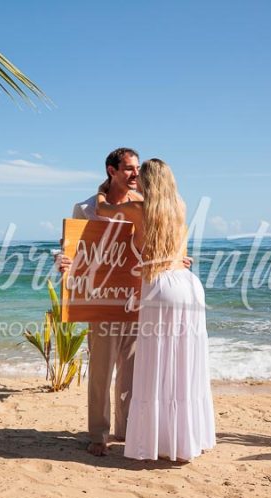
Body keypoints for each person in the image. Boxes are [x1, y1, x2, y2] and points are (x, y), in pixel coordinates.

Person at [95, 158, 216, 462]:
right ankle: (185, 441)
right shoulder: (181, 206)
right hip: (189, 285)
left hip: (161, 287)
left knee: (156, 364)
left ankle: (155, 441)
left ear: (148, 182)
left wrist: (101, 191)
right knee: (183, 365)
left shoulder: (139, 209)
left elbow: (103, 210)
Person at [57, 147, 143, 456]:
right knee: (101, 370)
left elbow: (157, 243)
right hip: (100, 298)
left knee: (132, 370)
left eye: (137, 168)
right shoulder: (86, 207)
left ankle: (127, 430)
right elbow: (69, 247)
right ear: (112, 170)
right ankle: (98, 434)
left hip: (135, 298)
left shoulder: (143, 205)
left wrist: (178, 260)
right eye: (130, 168)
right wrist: (62, 261)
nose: (136, 174)